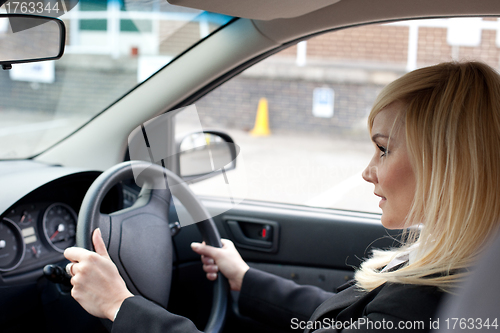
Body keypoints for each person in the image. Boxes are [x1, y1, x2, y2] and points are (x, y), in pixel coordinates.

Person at [64, 61, 500, 332]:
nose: (368, 171)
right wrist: (244, 277)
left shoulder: (426, 303)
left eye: (383, 149)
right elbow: (341, 319)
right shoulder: (454, 273)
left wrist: (120, 305)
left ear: (447, 168)